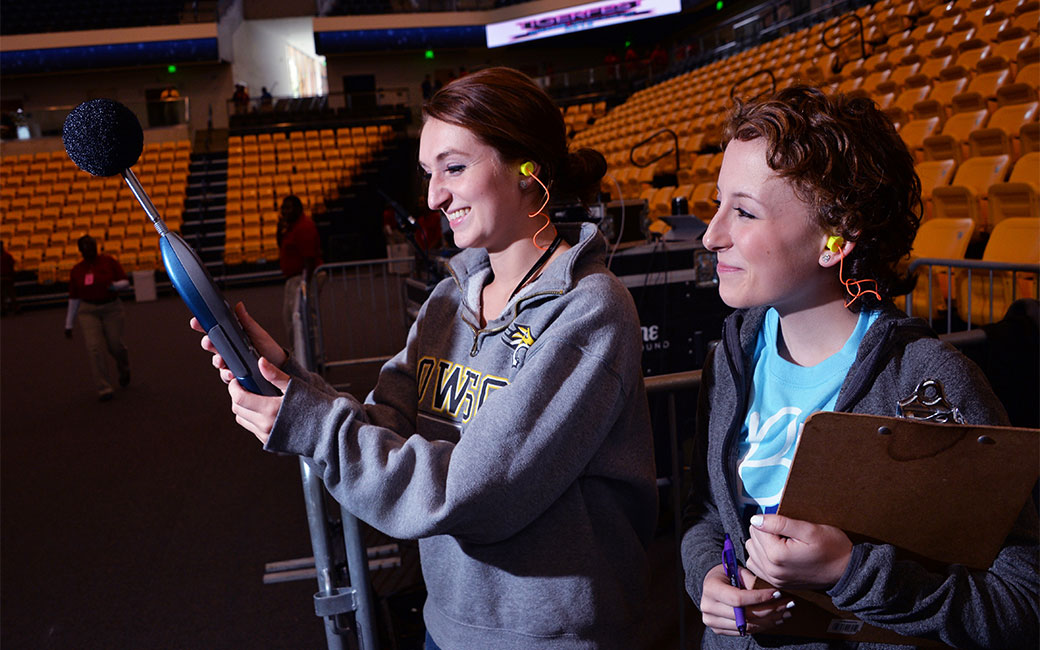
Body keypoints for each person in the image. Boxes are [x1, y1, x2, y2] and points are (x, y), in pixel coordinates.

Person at [192, 67, 658, 648]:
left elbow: (475, 493)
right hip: (448, 625)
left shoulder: (590, 311)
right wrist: (290, 379)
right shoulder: (448, 301)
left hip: (549, 638)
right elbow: (385, 426)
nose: (434, 195)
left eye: (454, 167)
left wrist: (313, 426)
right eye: (429, 173)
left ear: (527, 168)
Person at [681, 85, 1039, 649]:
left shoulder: (930, 382)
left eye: (744, 211)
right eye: (718, 203)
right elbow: (705, 516)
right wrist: (707, 575)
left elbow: (1021, 604)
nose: (711, 235)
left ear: (836, 237)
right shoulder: (730, 358)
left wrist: (851, 572)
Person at [65, 235, 131, 401]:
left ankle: (124, 368)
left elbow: (125, 282)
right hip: (88, 311)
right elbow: (74, 299)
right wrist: (68, 324)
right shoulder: (77, 270)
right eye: (86, 247)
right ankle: (104, 388)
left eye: (92, 245)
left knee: (115, 345)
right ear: (81, 250)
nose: (89, 249)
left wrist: (114, 286)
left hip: (111, 308)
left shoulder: (109, 262)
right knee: (94, 348)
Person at [275, 194, 322, 339]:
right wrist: (279, 230)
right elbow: (282, 246)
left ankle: (311, 356)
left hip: (301, 278)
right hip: (294, 278)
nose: (284, 211)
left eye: (288, 208)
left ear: (298, 209)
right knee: (291, 317)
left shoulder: (304, 227)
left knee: (302, 318)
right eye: (283, 208)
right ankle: (301, 353)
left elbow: (309, 258)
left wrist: (304, 286)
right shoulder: (292, 227)